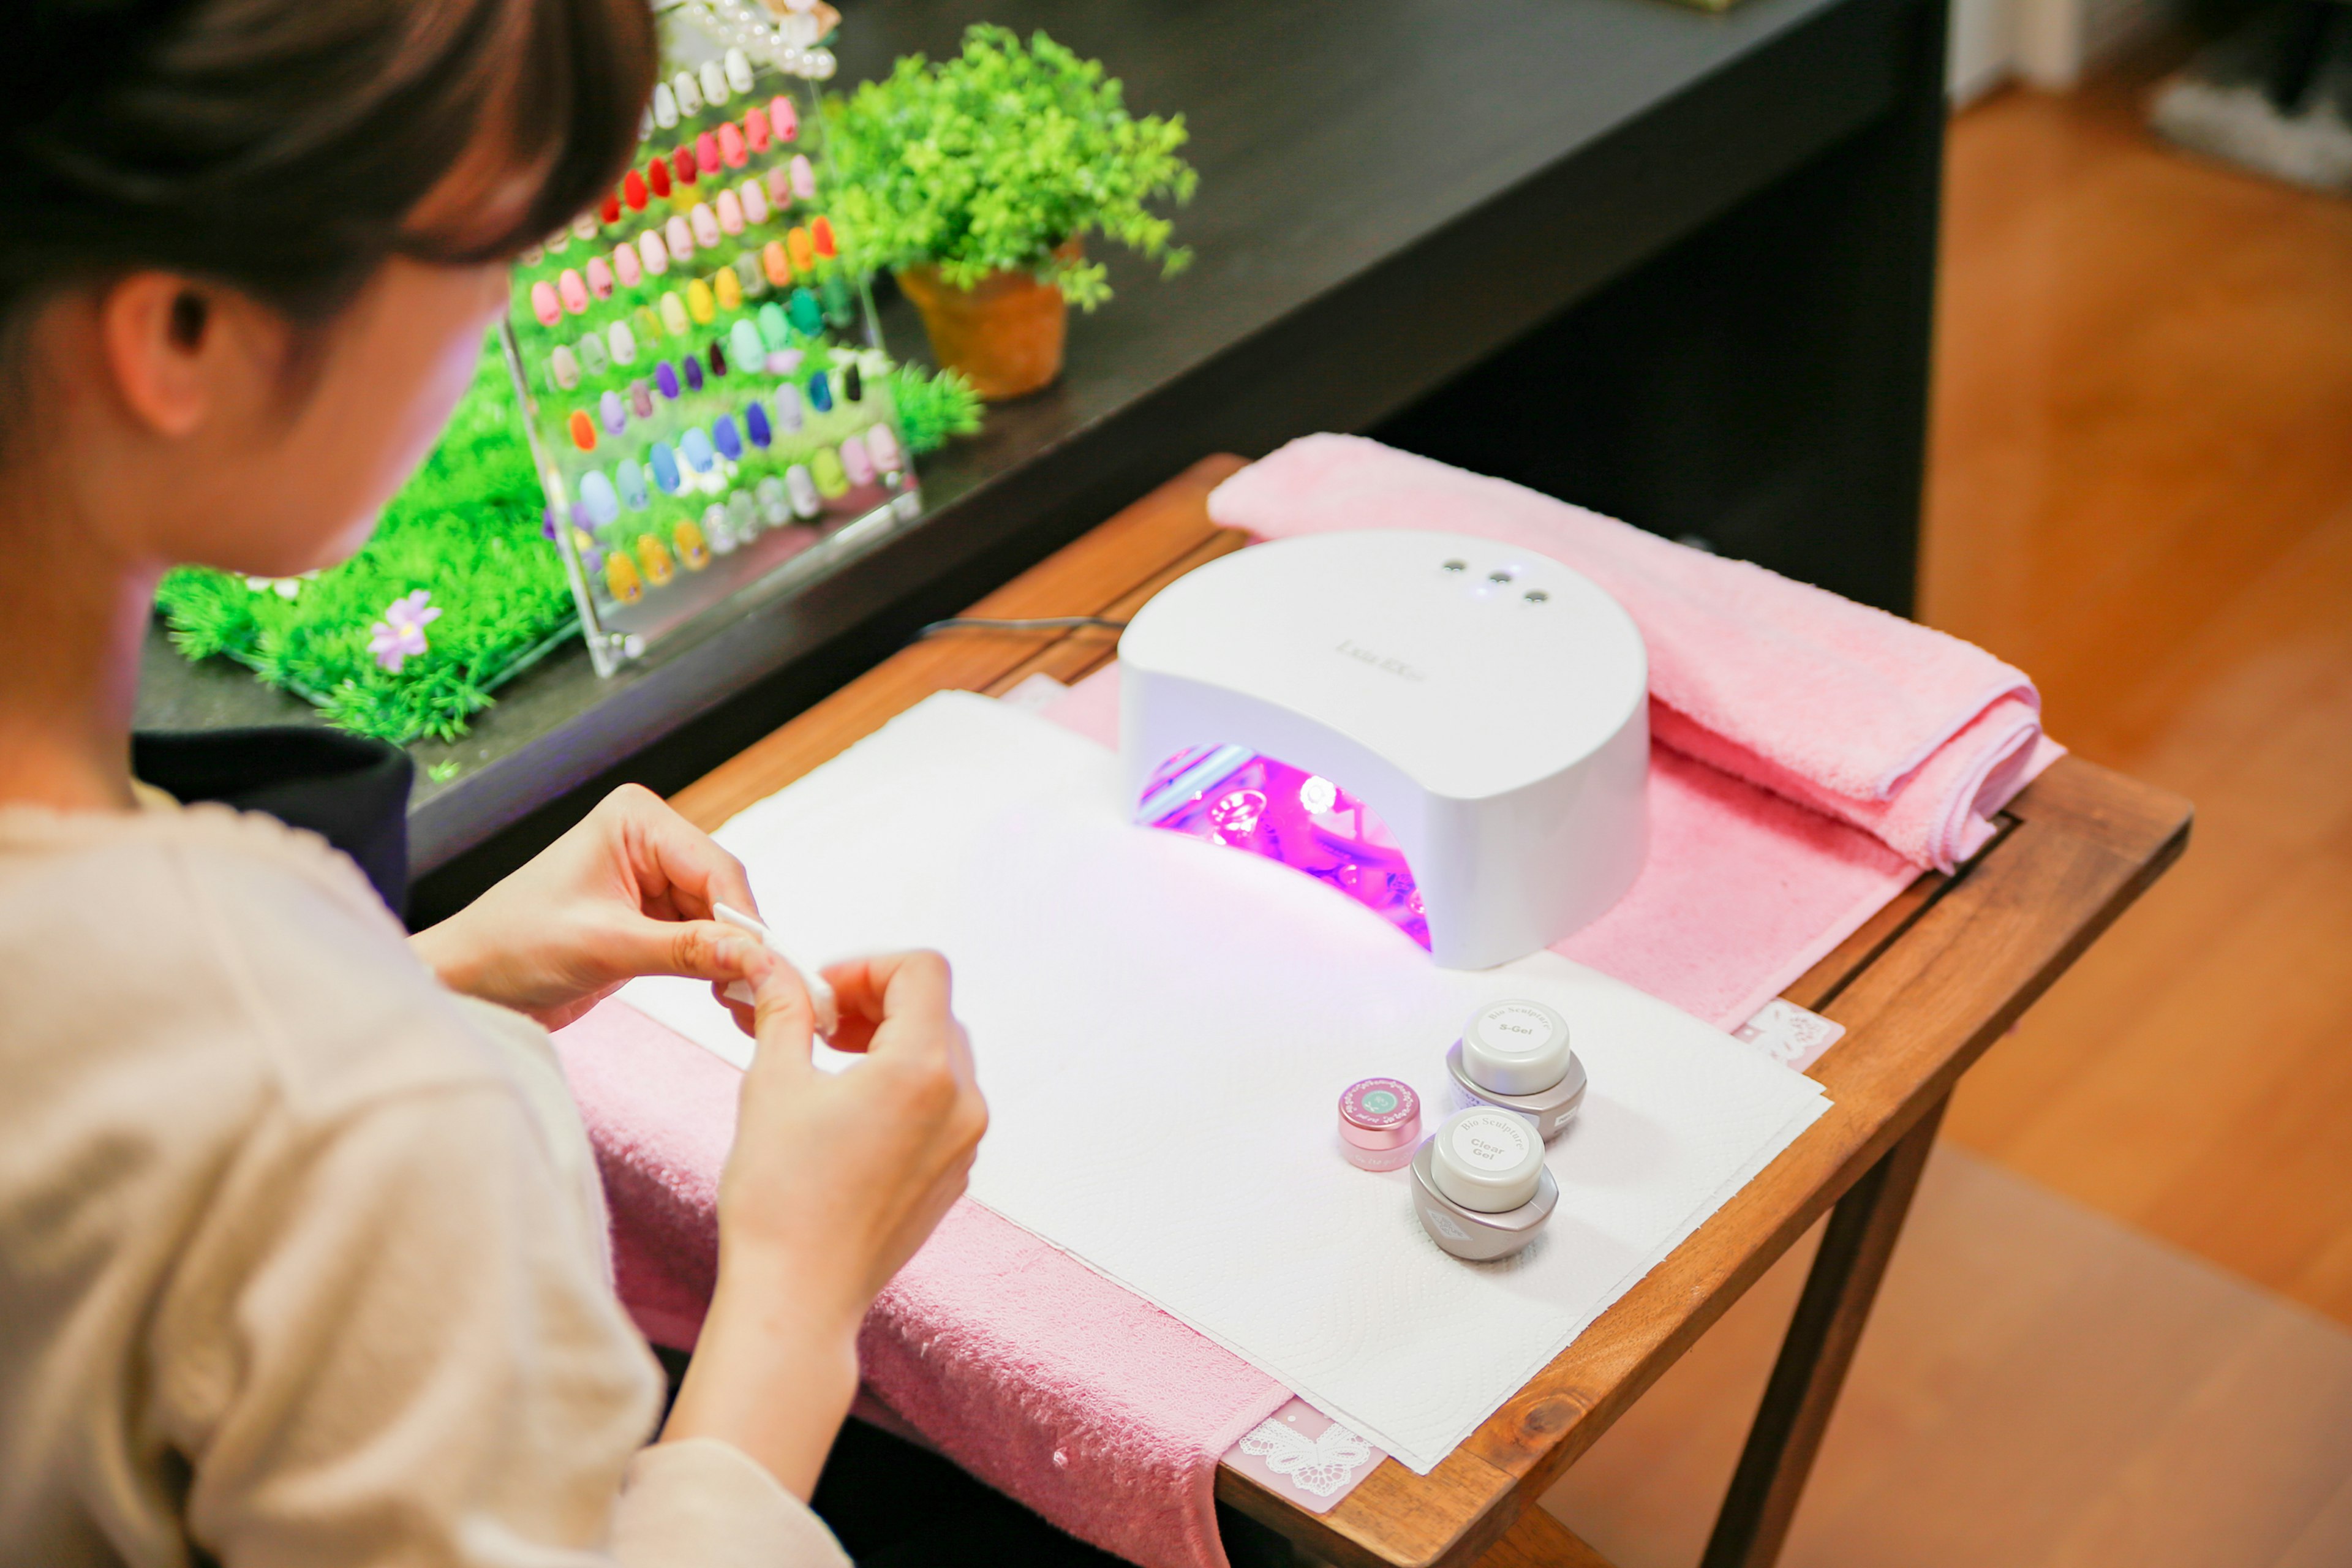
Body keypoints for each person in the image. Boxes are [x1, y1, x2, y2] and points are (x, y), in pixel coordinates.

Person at [0, 1, 989, 1564]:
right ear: (184, 330)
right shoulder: (339, 1111)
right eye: (483, 255)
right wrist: (803, 1297)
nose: (501, 316)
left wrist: (418, 985)